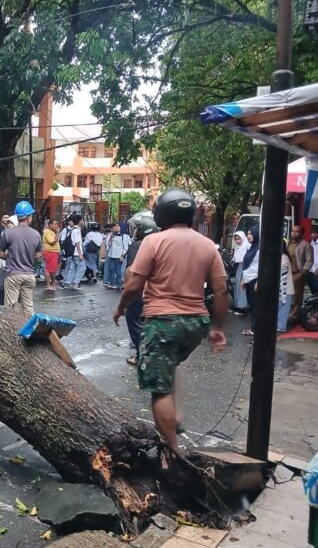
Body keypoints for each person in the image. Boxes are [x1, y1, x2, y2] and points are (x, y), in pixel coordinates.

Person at [113, 188, 228, 452]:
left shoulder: (154, 242)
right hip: (195, 324)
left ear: (161, 213)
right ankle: (175, 418)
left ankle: (171, 454)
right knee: (171, 363)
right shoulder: (207, 244)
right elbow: (221, 290)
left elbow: (133, 286)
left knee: (159, 390)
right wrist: (218, 328)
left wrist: (120, 308)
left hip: (163, 321)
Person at [124, 212, 159, 366]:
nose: (135, 231)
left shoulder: (137, 245)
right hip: (155, 292)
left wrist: (127, 292)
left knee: (135, 324)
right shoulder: (158, 245)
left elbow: (131, 271)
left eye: (138, 228)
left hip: (139, 292)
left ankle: (141, 357)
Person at [0, 201, 42, 318]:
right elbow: (38, 255)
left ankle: (12, 333)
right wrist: (28, 256)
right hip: (29, 275)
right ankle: (30, 332)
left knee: (11, 307)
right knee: (28, 307)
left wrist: (10, 256)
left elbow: (0, 252)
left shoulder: (8, 233)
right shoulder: (36, 234)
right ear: (29, 217)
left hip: (13, 274)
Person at [287, 225, 313, 323]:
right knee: (287, 295)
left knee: (297, 296)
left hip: (297, 273)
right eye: (293, 231)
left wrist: (302, 273)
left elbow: (309, 261)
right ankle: (289, 314)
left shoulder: (306, 245)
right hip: (287, 273)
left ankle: (294, 316)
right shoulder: (289, 242)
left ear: (302, 233)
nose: (294, 233)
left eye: (297, 232)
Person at [0, 216, 17, 305]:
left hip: (15, 269)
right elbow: (2, 255)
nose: (9, 225)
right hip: (5, 268)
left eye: (11, 223)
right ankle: (2, 307)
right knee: (0, 288)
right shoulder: (5, 236)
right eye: (8, 223)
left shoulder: (18, 238)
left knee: (12, 291)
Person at [241, 227, 259, 337]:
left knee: (255, 305)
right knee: (252, 305)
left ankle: (254, 328)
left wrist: (259, 281)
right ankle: (253, 327)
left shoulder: (259, 249)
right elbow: (247, 265)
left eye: (250, 234)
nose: (248, 236)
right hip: (248, 279)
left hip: (255, 280)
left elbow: (262, 266)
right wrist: (243, 279)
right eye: (247, 234)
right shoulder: (252, 247)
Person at [60, 214, 85, 289]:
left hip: (72, 252)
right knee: (82, 267)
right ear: (79, 221)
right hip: (77, 253)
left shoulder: (72, 229)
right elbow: (77, 243)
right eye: (82, 220)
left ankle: (67, 282)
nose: (82, 221)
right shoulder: (76, 231)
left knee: (72, 267)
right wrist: (80, 254)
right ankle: (75, 282)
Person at [104, 222, 129, 290]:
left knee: (118, 270)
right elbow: (109, 245)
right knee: (111, 269)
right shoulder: (112, 235)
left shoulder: (124, 236)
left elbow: (125, 247)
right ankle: (112, 283)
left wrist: (122, 255)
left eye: (115, 227)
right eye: (113, 228)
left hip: (119, 255)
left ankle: (118, 284)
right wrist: (110, 240)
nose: (114, 229)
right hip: (111, 255)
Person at [230, 231, 250, 314]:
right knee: (237, 286)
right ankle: (238, 305)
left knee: (242, 287)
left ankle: (242, 307)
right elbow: (235, 258)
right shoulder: (238, 247)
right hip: (239, 267)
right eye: (236, 239)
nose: (237, 241)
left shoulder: (246, 245)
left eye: (239, 238)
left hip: (244, 267)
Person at [278, 240, 295, 334]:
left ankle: (281, 326)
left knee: (283, 308)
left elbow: (282, 275)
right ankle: (279, 325)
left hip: (285, 289)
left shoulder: (284, 258)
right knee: (281, 307)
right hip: (282, 289)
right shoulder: (282, 257)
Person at [42, 219, 61, 290]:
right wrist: (58, 233)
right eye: (55, 224)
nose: (57, 226)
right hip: (50, 252)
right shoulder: (47, 232)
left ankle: (53, 284)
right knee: (48, 269)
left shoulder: (51, 232)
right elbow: (52, 242)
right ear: (50, 225)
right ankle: (48, 285)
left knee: (53, 269)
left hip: (54, 252)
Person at [310, 224, 318, 295]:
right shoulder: (311, 242)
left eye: (313, 233)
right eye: (311, 233)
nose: (311, 235)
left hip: (317, 271)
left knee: (317, 290)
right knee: (313, 290)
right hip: (311, 270)